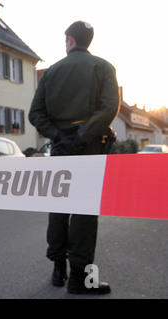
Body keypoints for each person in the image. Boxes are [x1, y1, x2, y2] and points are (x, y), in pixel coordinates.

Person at [28, 21, 120, 294]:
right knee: (84, 211)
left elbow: (35, 114)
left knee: (59, 207)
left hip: (60, 146)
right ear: (87, 41)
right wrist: (85, 134)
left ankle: (58, 271)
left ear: (69, 40)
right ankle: (79, 278)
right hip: (89, 145)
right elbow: (110, 107)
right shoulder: (103, 67)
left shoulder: (52, 72)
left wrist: (57, 135)